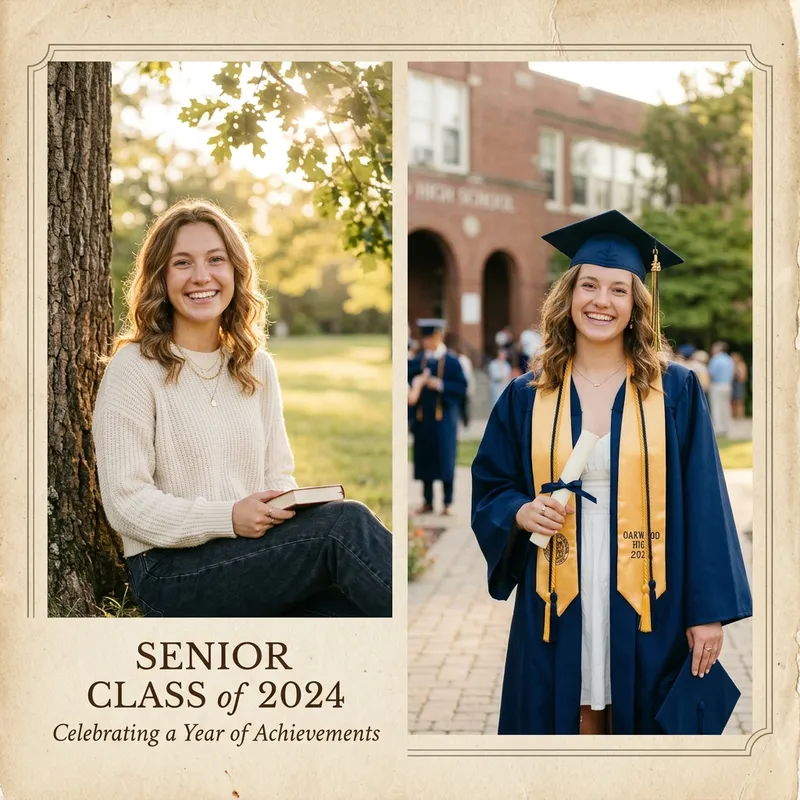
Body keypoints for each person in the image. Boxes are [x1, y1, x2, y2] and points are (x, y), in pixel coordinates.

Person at [471, 210, 752, 735]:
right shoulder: (527, 395)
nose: (602, 301)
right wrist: (522, 511)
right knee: (567, 718)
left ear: (636, 304)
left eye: (619, 290)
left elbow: (705, 504)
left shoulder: (675, 392)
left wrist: (708, 612)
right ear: (568, 295)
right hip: (557, 588)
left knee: (637, 721)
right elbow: (492, 486)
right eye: (590, 286)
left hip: (649, 591)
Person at [92, 199, 392, 618]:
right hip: (168, 572)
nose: (202, 276)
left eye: (216, 259)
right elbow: (126, 504)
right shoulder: (134, 368)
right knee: (346, 527)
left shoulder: (256, 366)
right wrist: (228, 517)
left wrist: (284, 510)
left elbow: (277, 475)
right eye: (182, 262)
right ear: (161, 276)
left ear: (235, 270)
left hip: (252, 553)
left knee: (351, 604)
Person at [408, 319, 467, 516]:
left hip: (444, 421)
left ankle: (448, 502)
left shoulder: (451, 361)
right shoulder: (418, 361)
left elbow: (461, 387)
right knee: (426, 459)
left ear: (439, 337)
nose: (426, 343)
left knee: (445, 459)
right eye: (424, 339)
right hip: (423, 420)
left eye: (430, 338)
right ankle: (428, 501)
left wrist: (439, 385)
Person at [445, 332, 476, 428]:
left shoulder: (463, 360)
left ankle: (466, 422)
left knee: (465, 405)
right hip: (461, 383)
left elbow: (467, 374)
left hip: (465, 383)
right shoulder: (455, 359)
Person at [708, 341, 735, 436]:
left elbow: (711, 373)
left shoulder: (715, 359)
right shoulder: (729, 359)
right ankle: (726, 427)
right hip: (727, 385)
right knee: (726, 406)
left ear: (718, 349)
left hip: (717, 385)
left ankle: (719, 428)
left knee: (717, 407)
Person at [731, 352, 749, 420]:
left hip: (739, 384)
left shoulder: (741, 365)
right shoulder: (735, 365)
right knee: (734, 401)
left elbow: (743, 377)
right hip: (735, 384)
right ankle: (735, 415)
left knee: (739, 401)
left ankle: (740, 416)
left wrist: (736, 375)